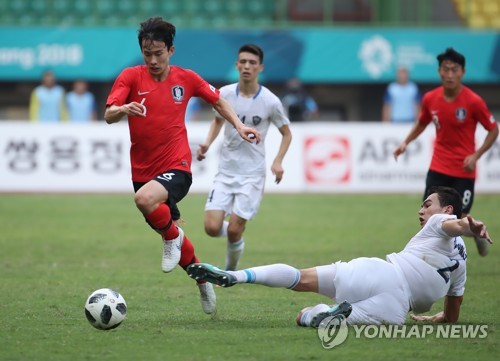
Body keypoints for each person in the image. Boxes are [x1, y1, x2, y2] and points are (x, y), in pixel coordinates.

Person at [103, 17, 261, 315]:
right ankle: (202, 281)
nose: (152, 60)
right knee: (165, 225)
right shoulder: (130, 77)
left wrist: (239, 126)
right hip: (143, 171)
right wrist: (123, 109)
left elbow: (217, 101)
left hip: (178, 165)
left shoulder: (186, 78)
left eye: (158, 53)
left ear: (171, 50)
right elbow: (109, 114)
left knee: (145, 202)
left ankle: (172, 239)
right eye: (147, 54)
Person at [187, 186, 493, 327]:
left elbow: (456, 225)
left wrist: (468, 225)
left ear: (446, 209)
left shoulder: (440, 223)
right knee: (307, 316)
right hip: (395, 309)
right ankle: (330, 313)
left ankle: (236, 276)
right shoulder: (459, 263)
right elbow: (453, 313)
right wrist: (435, 317)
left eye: (427, 204)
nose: (421, 210)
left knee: (299, 278)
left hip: (379, 272)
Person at [393, 47, 499, 257]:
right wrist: (405, 142)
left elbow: (494, 129)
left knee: (459, 220)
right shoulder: (431, 99)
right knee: (428, 216)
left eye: (454, 70)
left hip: (464, 171)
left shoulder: (473, 101)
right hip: (438, 167)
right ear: (440, 71)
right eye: (445, 69)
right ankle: (422, 258)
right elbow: (422, 122)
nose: (450, 74)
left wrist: (476, 155)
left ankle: (475, 232)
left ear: (463, 73)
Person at [196, 44, 292, 271]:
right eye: (243, 62)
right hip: (226, 170)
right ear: (237, 65)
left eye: (252, 63)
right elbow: (218, 120)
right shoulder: (225, 94)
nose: (247, 66)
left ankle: (230, 272)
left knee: (234, 231)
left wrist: (278, 161)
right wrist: (207, 144)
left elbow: (287, 133)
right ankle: (234, 231)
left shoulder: (270, 101)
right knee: (211, 228)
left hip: (252, 175)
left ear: (260, 67)